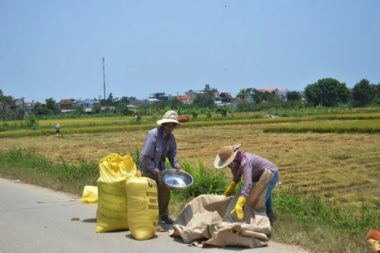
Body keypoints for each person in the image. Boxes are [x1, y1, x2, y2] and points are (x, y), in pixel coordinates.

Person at [214, 144, 279, 223]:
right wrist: (227, 192)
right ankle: (270, 215)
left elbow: (248, 184)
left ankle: (264, 220)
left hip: (270, 174)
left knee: (261, 199)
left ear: (233, 159)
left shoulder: (245, 162)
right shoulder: (236, 163)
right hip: (259, 176)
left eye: (228, 164)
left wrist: (239, 204)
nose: (227, 166)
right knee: (265, 197)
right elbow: (236, 177)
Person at [139, 110, 181, 231]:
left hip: (161, 169)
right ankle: (155, 220)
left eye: (173, 125)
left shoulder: (171, 137)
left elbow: (172, 154)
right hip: (148, 168)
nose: (171, 127)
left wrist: (176, 164)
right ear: (164, 124)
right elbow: (144, 157)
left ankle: (164, 216)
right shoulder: (154, 135)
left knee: (165, 192)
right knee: (153, 195)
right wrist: (154, 170)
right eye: (169, 124)